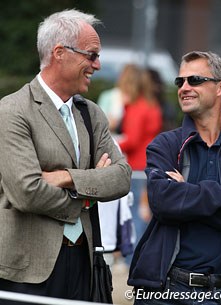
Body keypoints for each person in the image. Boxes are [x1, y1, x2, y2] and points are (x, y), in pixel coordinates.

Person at [0, 9, 131, 304]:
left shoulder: (91, 112)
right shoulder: (12, 111)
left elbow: (122, 177)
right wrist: (87, 196)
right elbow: (27, 192)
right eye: (91, 55)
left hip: (84, 265)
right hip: (26, 272)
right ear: (59, 52)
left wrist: (66, 178)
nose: (97, 65)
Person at [128, 51, 221, 304]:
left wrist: (187, 193)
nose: (184, 88)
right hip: (162, 290)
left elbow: (176, 203)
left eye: (195, 80)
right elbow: (162, 203)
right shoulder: (165, 144)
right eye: (180, 82)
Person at [117, 64, 163, 265]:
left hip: (137, 166)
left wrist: (112, 144)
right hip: (150, 165)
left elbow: (133, 140)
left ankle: (133, 260)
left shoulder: (136, 108)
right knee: (145, 213)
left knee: (136, 213)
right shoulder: (152, 105)